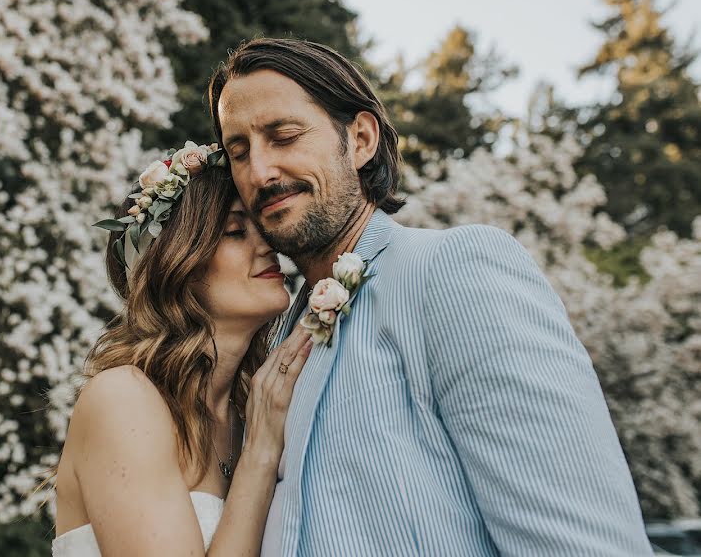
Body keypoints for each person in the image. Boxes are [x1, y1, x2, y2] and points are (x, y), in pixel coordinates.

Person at [208, 37, 653, 556]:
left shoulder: (455, 271)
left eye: (283, 136)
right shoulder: (273, 338)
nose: (259, 172)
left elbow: (581, 545)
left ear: (360, 139)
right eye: (239, 153)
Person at [53, 142, 313, 556]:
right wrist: (260, 454)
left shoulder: (255, 408)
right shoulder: (123, 399)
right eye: (234, 231)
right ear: (178, 265)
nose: (268, 246)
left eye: (260, 228)